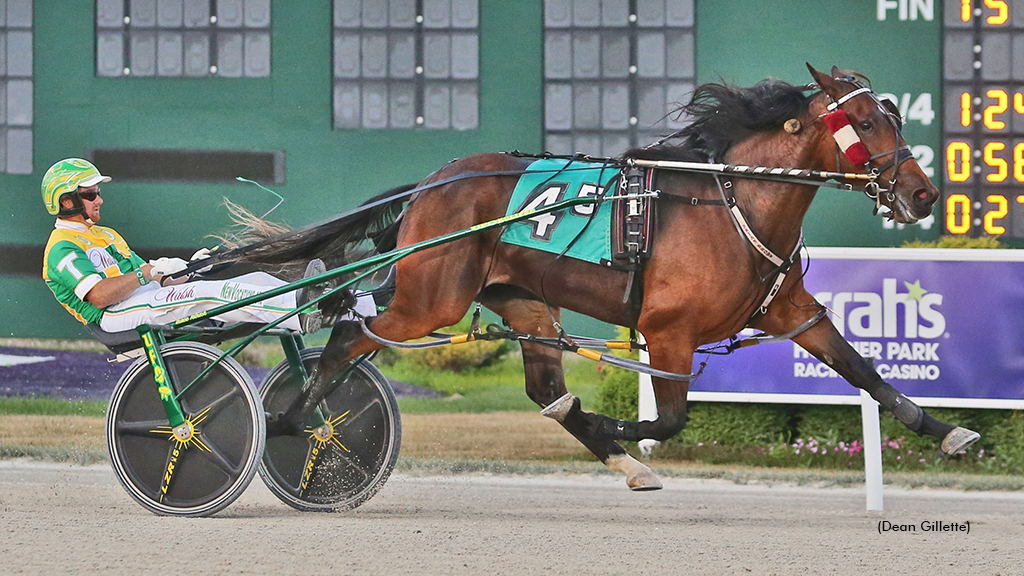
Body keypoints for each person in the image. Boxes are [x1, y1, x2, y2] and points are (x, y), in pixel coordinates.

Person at [40, 158, 351, 335]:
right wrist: (148, 273)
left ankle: (340, 309)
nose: (100, 199)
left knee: (246, 281)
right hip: (114, 315)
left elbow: (156, 279)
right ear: (66, 201)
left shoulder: (106, 235)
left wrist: (191, 268)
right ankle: (298, 313)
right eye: (91, 194)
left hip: (142, 297)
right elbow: (99, 296)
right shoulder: (61, 247)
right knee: (208, 293)